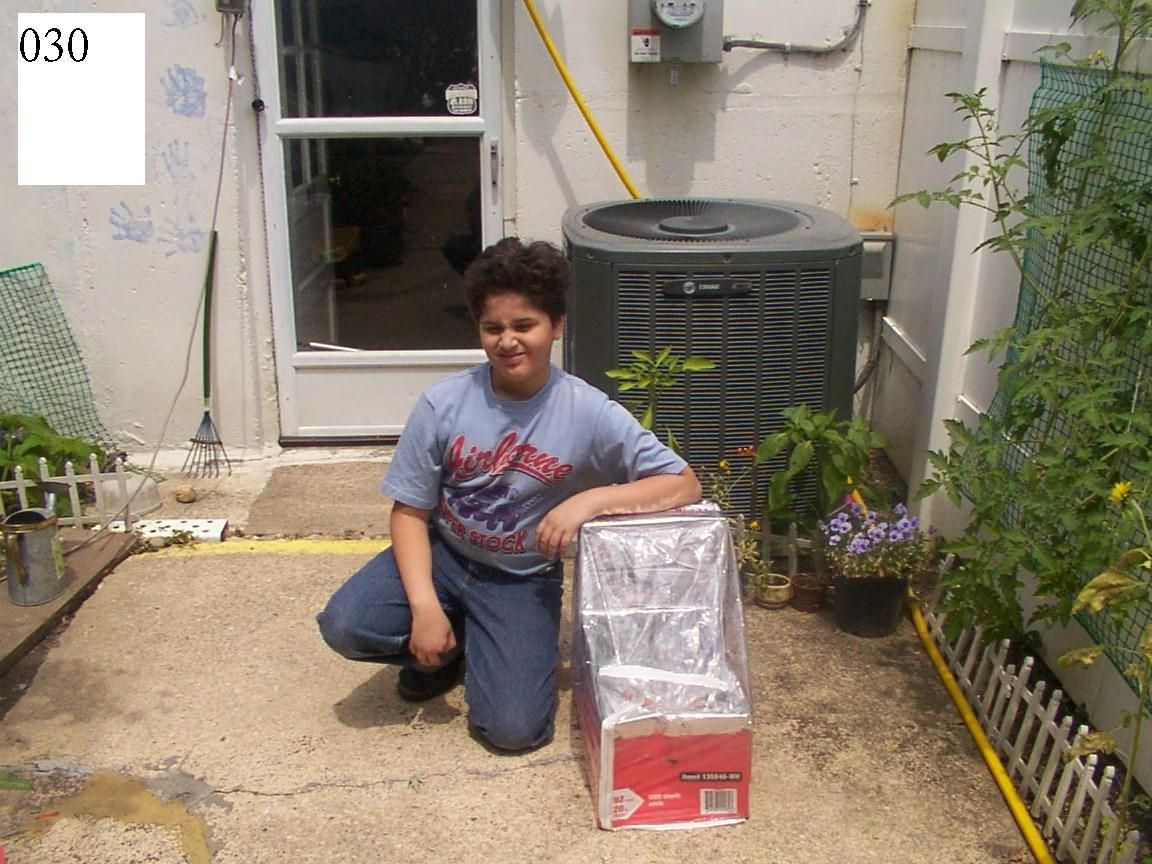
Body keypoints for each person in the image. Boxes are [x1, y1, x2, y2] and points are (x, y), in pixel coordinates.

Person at [316, 237, 700, 752]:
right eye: (493, 328)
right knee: (348, 625)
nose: (507, 341)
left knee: (514, 731)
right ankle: (442, 649)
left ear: (555, 326)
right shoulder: (443, 404)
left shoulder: (587, 411)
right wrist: (425, 607)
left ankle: (479, 642)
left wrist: (588, 501)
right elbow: (409, 511)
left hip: (520, 579)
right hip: (444, 555)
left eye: (524, 326)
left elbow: (682, 482)